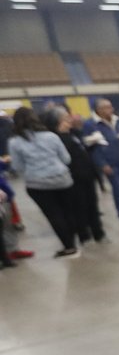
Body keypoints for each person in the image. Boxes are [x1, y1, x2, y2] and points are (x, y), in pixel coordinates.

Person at [6, 106, 79, 258]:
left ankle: (68, 246)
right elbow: (66, 159)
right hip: (62, 179)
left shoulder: (15, 143)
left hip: (37, 184)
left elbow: (17, 167)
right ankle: (73, 241)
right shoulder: (51, 136)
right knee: (68, 211)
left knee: (54, 215)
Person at [45, 107, 106, 245]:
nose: (70, 119)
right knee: (79, 208)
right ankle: (84, 235)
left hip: (87, 175)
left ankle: (98, 233)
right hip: (74, 178)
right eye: (66, 118)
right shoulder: (57, 139)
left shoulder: (74, 134)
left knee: (93, 205)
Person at [84, 98, 119, 227]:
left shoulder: (118, 121)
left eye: (111, 106)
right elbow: (92, 147)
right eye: (107, 107)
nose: (111, 110)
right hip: (110, 163)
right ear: (98, 110)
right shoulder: (90, 124)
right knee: (118, 189)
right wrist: (102, 164)